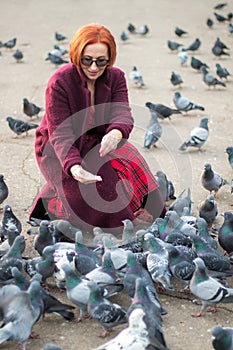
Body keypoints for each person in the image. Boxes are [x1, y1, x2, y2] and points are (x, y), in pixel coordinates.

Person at [29, 23, 166, 234]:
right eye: (87, 60)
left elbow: (122, 113)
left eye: (101, 61)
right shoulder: (59, 82)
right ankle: (52, 204)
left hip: (98, 140)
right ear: (76, 55)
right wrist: (73, 167)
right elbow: (60, 134)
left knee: (133, 161)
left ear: (109, 59)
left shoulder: (116, 77)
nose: (94, 67)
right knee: (96, 196)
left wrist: (116, 132)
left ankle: (140, 210)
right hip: (58, 150)